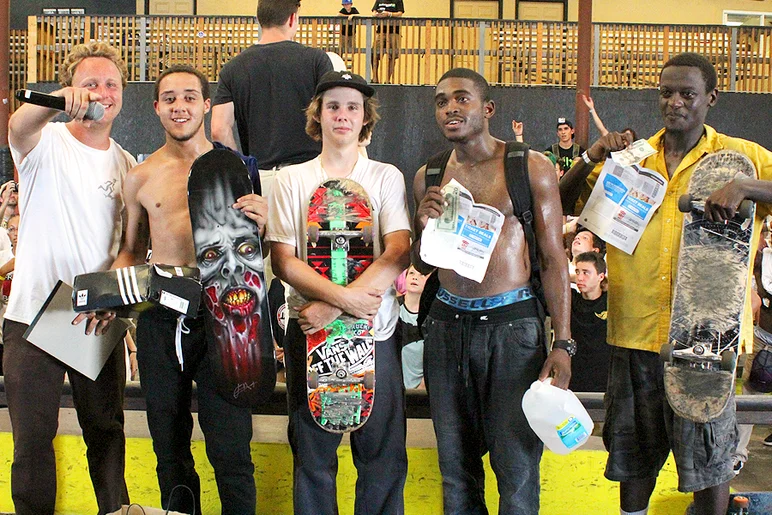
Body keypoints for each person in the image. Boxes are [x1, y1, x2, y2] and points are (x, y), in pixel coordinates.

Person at [560, 52, 772, 515]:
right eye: (666, 93)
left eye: (687, 94)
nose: (674, 102)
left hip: (707, 344)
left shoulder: (743, 157)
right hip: (633, 334)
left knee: (710, 465)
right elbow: (557, 199)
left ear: (711, 98)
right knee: (632, 461)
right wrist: (592, 154)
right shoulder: (632, 160)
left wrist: (746, 188)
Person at [412, 68, 572, 514]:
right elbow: (422, 263)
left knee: (516, 469)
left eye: (461, 99)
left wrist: (563, 344)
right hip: (447, 328)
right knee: (455, 470)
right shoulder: (429, 175)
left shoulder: (528, 166)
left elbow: (554, 259)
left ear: (487, 108)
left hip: (512, 329)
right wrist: (424, 226)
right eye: (442, 101)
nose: (450, 109)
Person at [110, 64, 265, 514]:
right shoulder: (139, 176)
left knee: (231, 450)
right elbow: (130, 253)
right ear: (157, 107)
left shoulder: (236, 169)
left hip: (226, 317)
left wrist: (265, 223)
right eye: (170, 98)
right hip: (162, 317)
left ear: (206, 105)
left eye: (190, 97)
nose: (180, 107)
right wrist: (108, 298)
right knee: (168, 446)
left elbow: (258, 256)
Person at [267, 70, 411, 515]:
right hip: (310, 335)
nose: (342, 115)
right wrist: (340, 302)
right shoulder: (290, 180)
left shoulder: (386, 177)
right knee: (312, 458)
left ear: (366, 117)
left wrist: (338, 305)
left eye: (353, 107)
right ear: (318, 115)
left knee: (383, 459)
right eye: (333, 106)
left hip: (376, 335)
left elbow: (399, 249)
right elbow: (283, 260)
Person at [6, 41, 134, 515]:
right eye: (90, 83)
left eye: (110, 84)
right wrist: (57, 99)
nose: (102, 92)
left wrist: (117, 304)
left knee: (107, 436)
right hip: (33, 314)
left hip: (94, 318)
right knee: (32, 443)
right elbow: (18, 125)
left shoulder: (127, 164)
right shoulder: (45, 141)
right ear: (72, 90)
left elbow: (129, 246)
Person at [211, 0, 333, 198]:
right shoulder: (316, 60)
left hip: (262, 178)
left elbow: (218, 130)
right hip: (309, 177)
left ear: (259, 19)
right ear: (292, 18)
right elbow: (333, 116)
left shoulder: (233, 68)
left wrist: (243, 172)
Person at [569, 251, 609, 393]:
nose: (580, 277)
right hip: (576, 376)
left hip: (605, 376)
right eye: (577, 272)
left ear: (600, 276)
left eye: (586, 273)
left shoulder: (611, 302)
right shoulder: (570, 301)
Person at [398, 264, 430, 389]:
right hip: (392, 386)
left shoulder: (433, 316)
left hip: (421, 390)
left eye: (422, 275)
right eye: (411, 273)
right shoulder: (391, 308)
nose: (415, 278)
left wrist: (423, 385)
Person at [371, 0, 404, 84]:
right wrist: (376, 14)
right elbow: (374, 11)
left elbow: (400, 13)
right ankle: (375, 78)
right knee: (374, 53)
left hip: (394, 31)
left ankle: (388, 80)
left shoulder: (398, 0)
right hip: (381, 30)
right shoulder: (379, 0)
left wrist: (389, 14)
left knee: (392, 56)